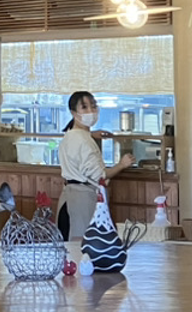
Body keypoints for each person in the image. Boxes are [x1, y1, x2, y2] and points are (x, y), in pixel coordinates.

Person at [55, 90, 134, 240]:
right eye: (84, 107)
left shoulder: (73, 135)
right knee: (83, 244)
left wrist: (91, 134)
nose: (91, 111)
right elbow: (100, 176)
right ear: (73, 113)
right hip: (82, 199)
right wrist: (122, 164)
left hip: (70, 196)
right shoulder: (82, 140)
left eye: (93, 106)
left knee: (72, 243)